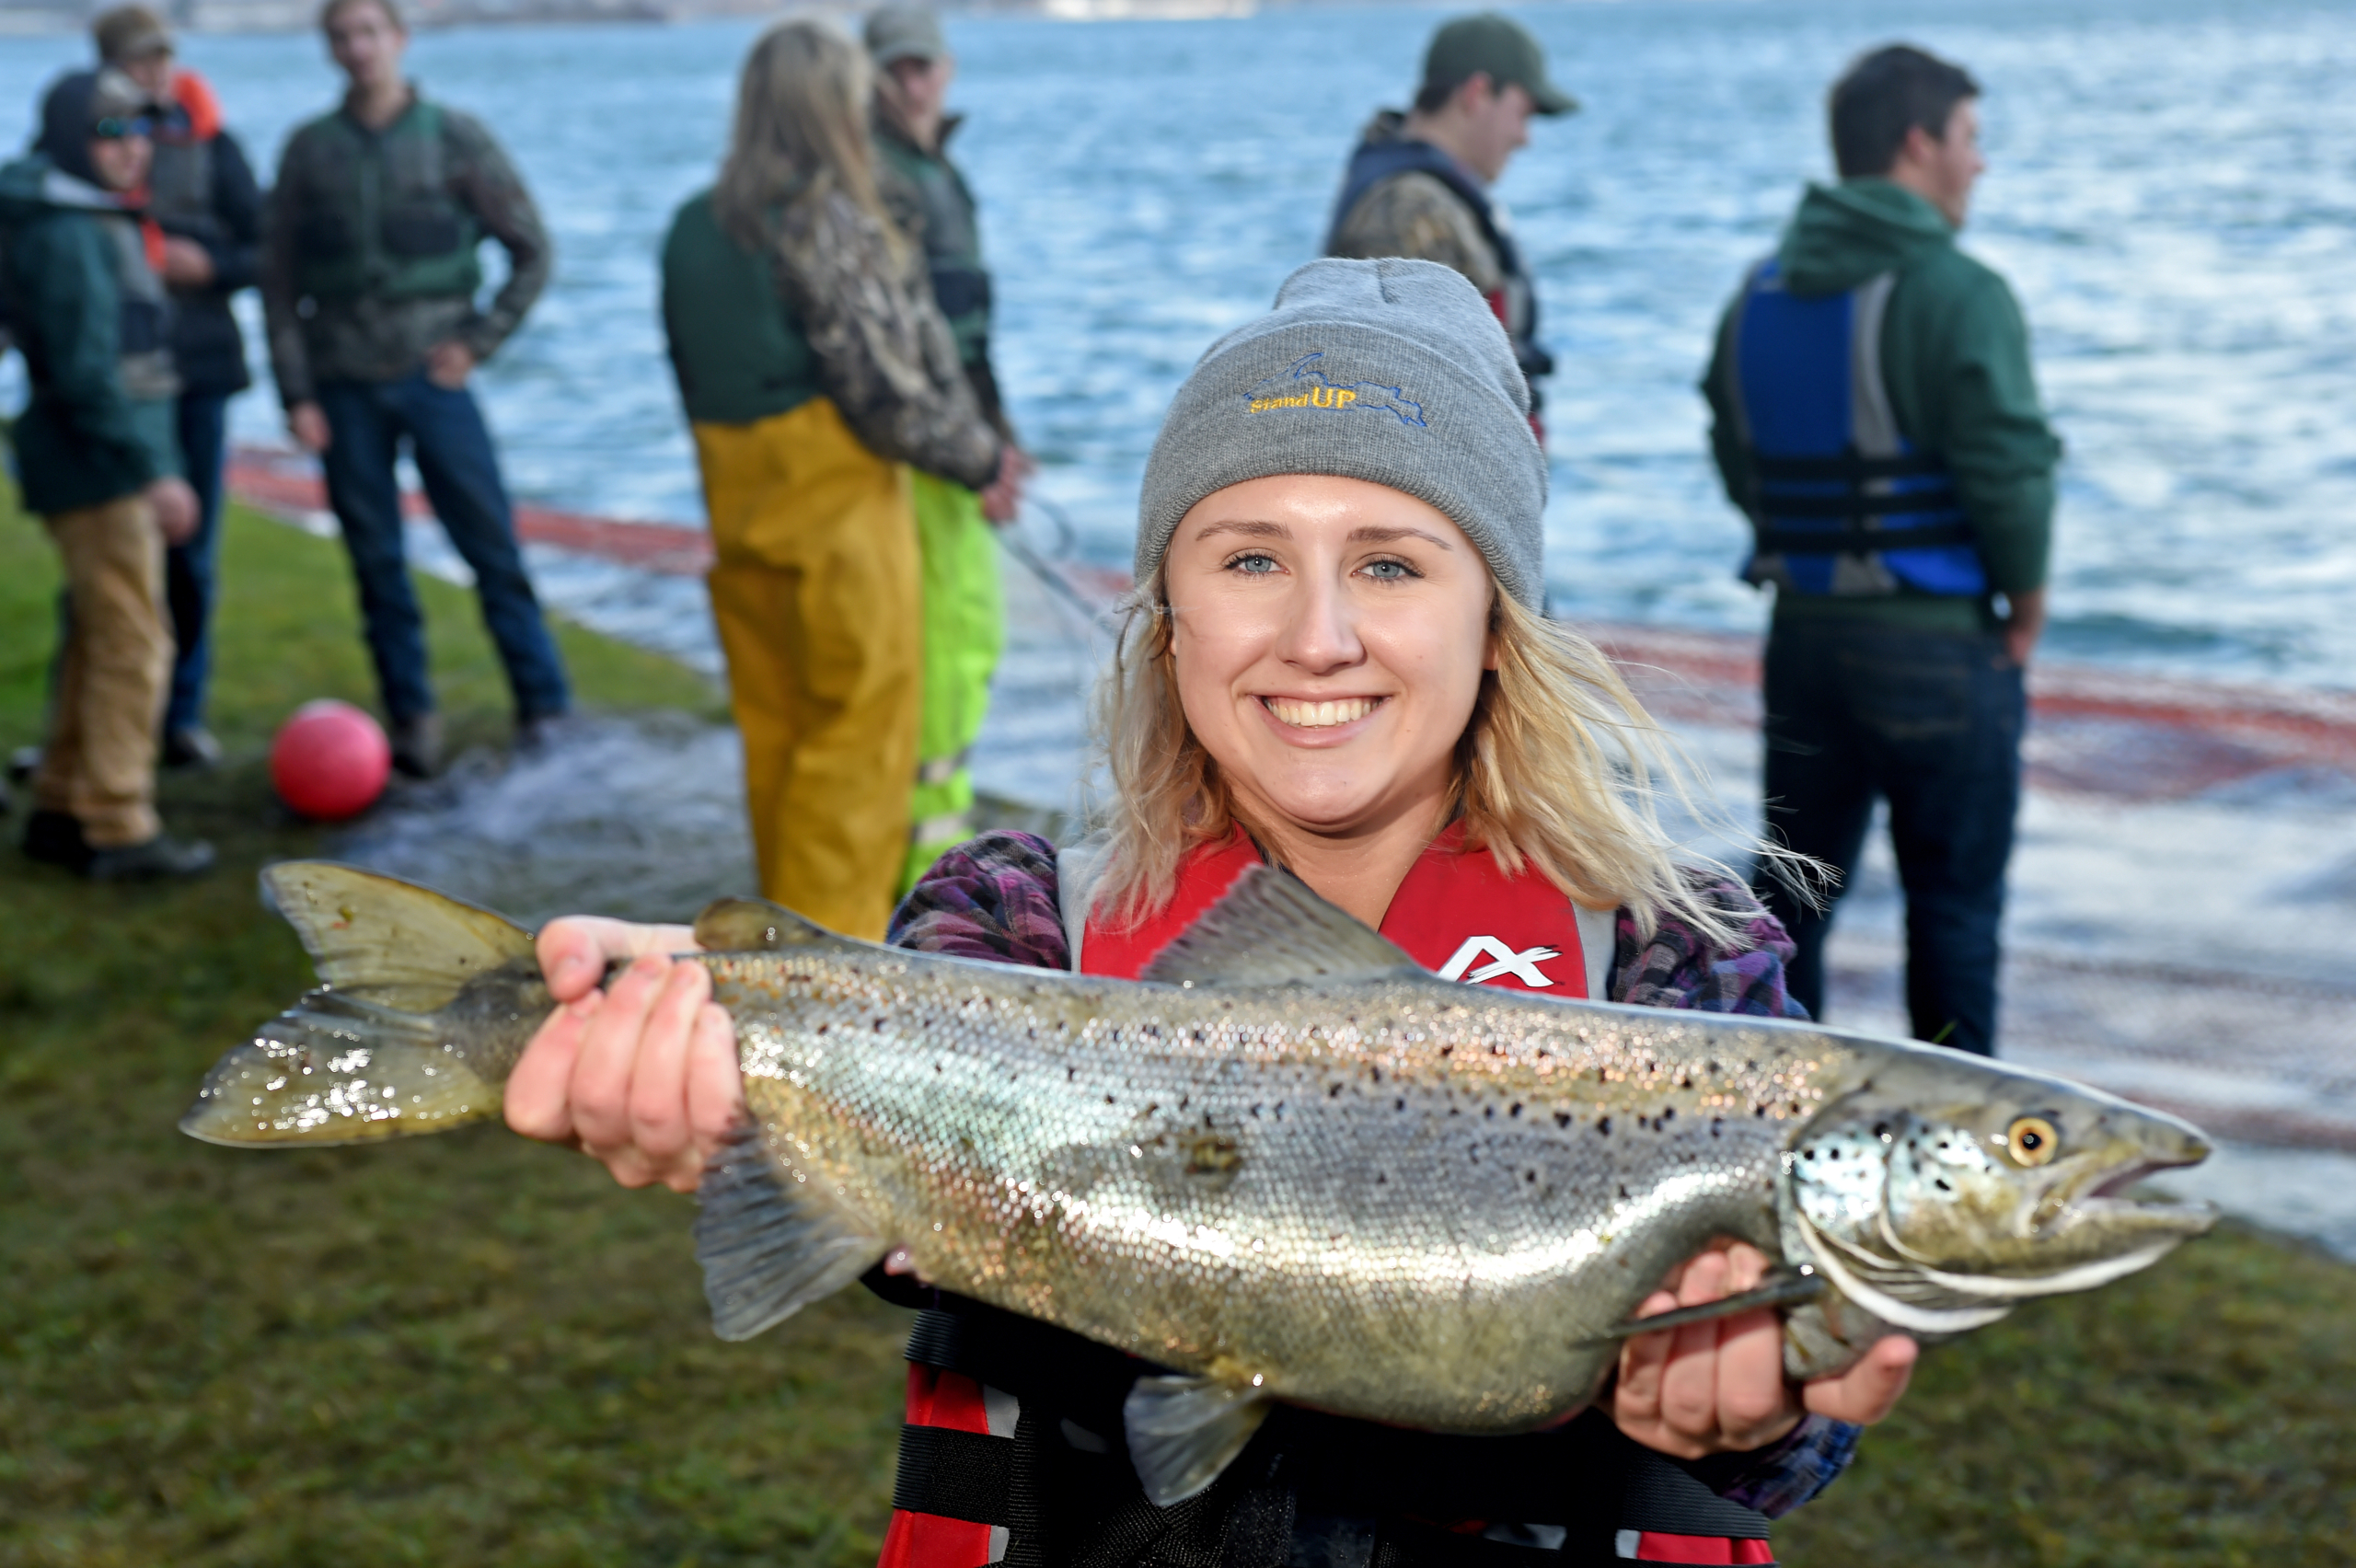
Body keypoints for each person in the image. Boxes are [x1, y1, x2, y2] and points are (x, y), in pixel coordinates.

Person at [507, 259, 1918, 1564]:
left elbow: (1789, 1459)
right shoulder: (1014, 925)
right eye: (1249, 559)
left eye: (1391, 562)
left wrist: (1790, 1402)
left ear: (1496, 617)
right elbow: (895, 1213)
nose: (1318, 635)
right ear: (1166, 616)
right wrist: (722, 1031)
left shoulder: (1679, 966)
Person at [1702, 44, 2062, 1057]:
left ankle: (1769, 1112)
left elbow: (1731, 445)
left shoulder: (1757, 294)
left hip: (1804, 640)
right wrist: (2025, 605)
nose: (1978, 164)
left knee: (1791, 900)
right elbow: (2008, 471)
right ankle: (1957, 1143)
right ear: (1918, 144)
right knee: (1951, 909)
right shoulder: (1959, 291)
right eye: (1969, 139)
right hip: (1939, 647)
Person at [659, 19, 1016, 942]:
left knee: (775, 738)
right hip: (840, 521)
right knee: (853, 750)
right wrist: (983, 458)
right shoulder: (827, 217)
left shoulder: (693, 228)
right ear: (835, 104)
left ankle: (774, 932)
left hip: (740, 509)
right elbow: (883, 396)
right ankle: (833, 962)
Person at [261, 0, 570, 779]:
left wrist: (477, 343)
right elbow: (277, 283)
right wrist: (296, 393)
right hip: (342, 388)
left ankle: (545, 709)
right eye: (342, 36)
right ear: (329, 48)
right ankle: (411, 721)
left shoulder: (453, 138)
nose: (358, 49)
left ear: (398, 39)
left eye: (370, 32)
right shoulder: (309, 151)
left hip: (433, 382)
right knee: (377, 564)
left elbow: (531, 250)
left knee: (491, 548)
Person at [2, 68, 213, 879]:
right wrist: (153, 470)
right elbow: (87, 374)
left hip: (98, 459)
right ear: (67, 139)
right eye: (110, 132)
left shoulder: (89, 215)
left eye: (140, 132)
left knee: (100, 634)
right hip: (96, 468)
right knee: (135, 640)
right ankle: (121, 823)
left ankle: (61, 803)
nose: (131, 151)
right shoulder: (67, 231)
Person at [865, 3, 1030, 894]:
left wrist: (1001, 438)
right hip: (923, 456)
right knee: (952, 639)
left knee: (968, 637)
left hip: (963, 440)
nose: (914, 83)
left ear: (947, 67)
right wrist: (972, 453)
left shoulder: (938, 173)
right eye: (896, 69)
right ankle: (925, 861)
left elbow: (966, 330)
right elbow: (905, 345)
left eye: (924, 65)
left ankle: (935, 839)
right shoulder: (881, 179)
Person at [95, 5, 263, 770]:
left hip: (197, 369)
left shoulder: (214, 145)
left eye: (162, 57)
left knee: (192, 551)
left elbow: (262, 250)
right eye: (137, 60)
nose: (154, 72)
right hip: (118, 378)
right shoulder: (84, 143)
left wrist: (211, 267)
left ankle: (180, 714)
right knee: (107, 558)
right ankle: (97, 717)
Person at [1327, 11, 1573, 432]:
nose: (1524, 137)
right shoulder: (1406, 209)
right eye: (1523, 114)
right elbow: (1395, 400)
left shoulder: (1431, 199)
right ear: (1477, 93)